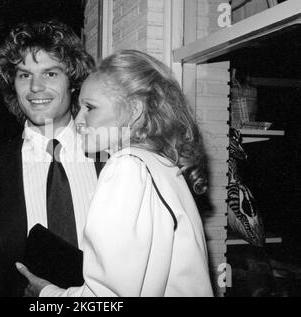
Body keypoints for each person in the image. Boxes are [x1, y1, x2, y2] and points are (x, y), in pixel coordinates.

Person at [17, 50, 214, 297]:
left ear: (133, 110)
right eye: (80, 108)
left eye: (90, 107)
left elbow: (107, 300)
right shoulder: (161, 164)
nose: (78, 121)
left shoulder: (126, 167)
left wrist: (45, 294)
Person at [0, 20, 101, 297]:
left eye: (51, 74)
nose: (35, 87)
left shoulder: (111, 155)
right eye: (24, 75)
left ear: (73, 82)